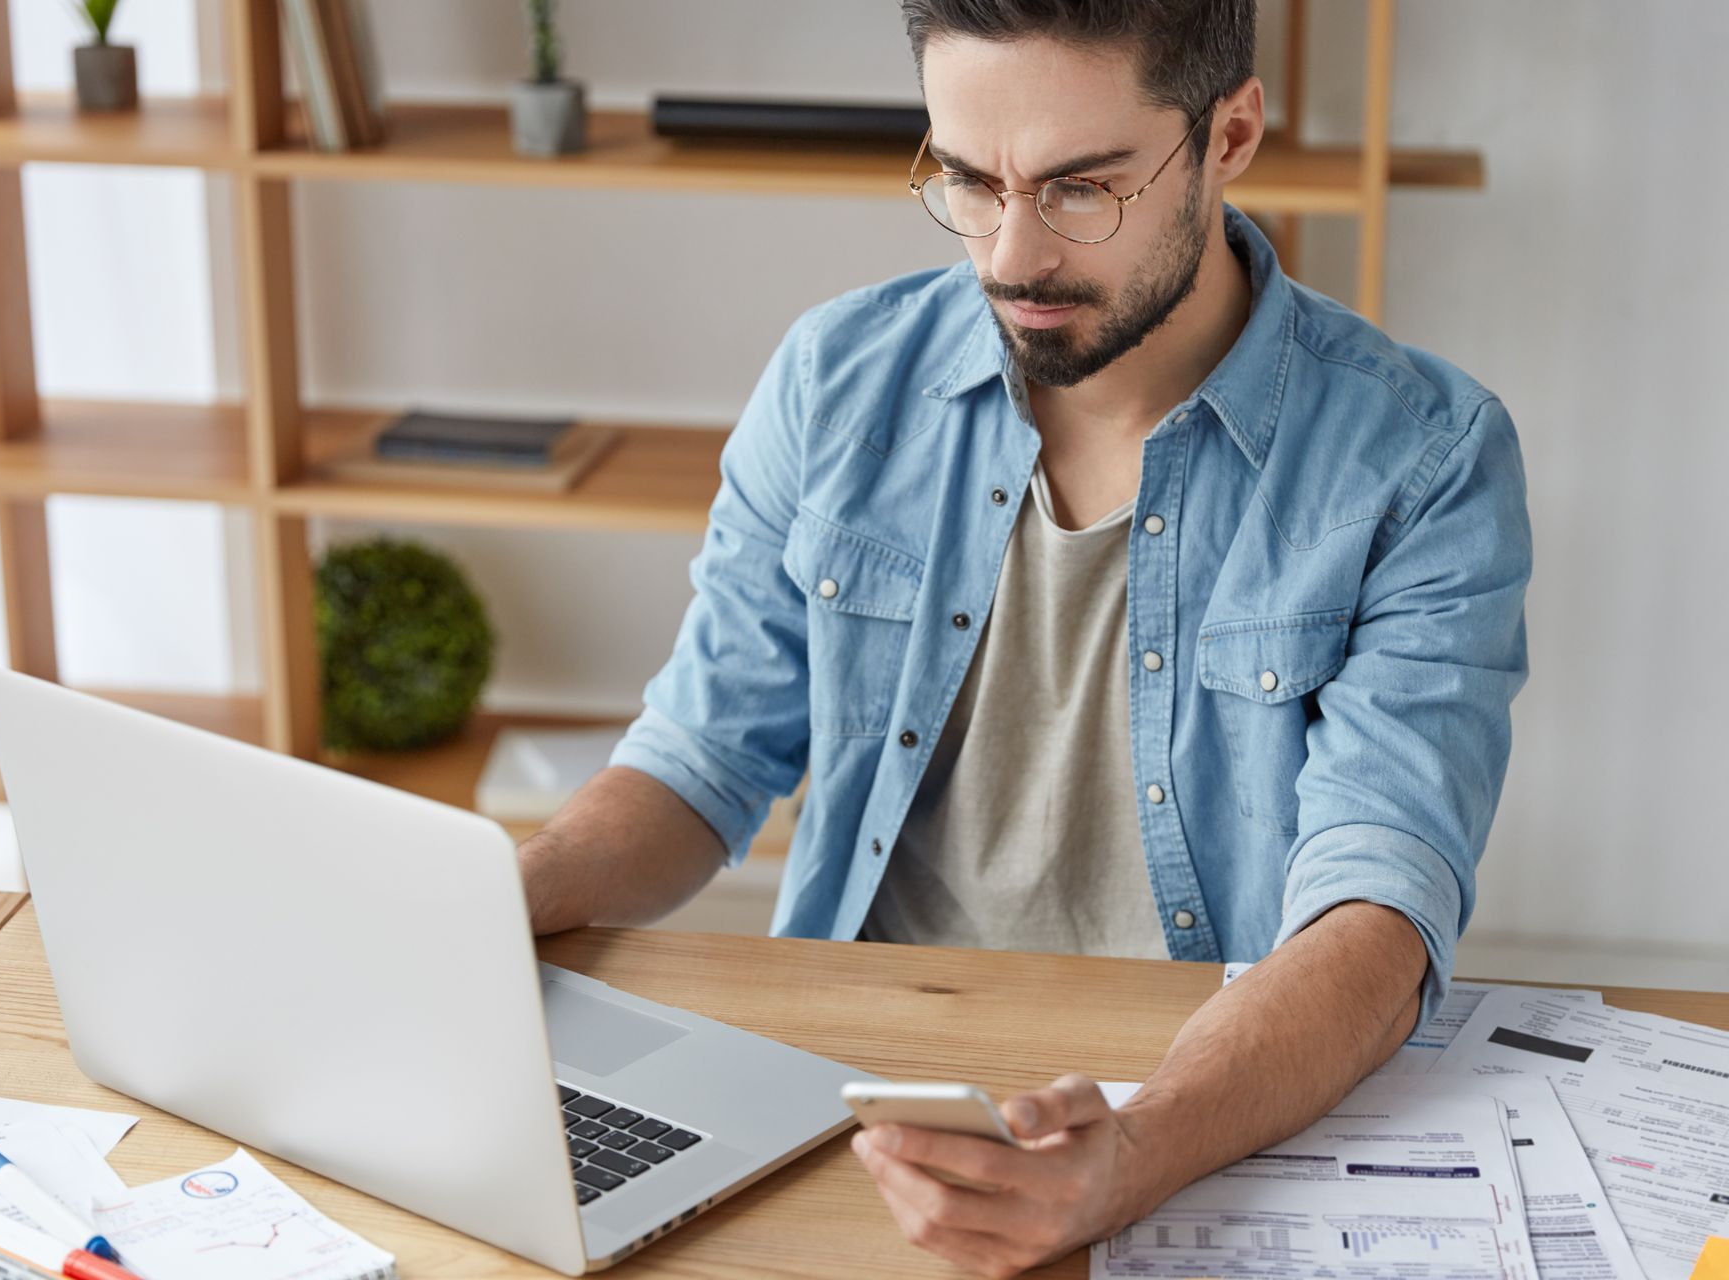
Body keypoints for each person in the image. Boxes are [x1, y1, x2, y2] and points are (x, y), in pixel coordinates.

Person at [517, 0, 1531, 1272]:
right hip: (854, 1093)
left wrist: (1138, 1148)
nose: (1011, 254)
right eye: (967, 180)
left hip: (1205, 1106)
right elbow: (700, 761)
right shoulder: (837, 376)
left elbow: (1378, 912)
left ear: (1231, 135)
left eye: (1082, 190)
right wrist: (506, 899)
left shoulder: (1423, 459)